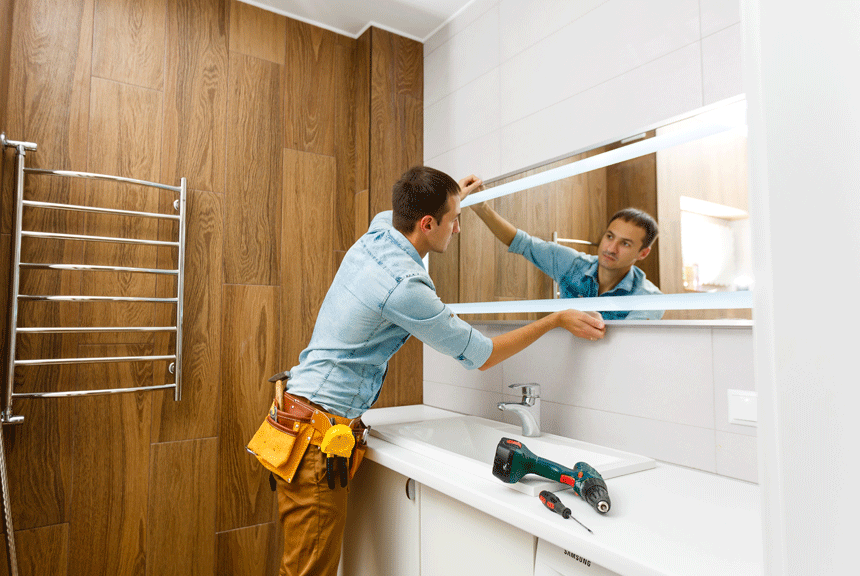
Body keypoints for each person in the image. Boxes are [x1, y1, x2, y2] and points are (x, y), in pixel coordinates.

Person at [251, 166, 605, 576]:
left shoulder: (381, 232)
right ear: (427, 223)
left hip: (298, 416)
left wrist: (455, 196)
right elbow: (482, 354)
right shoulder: (404, 288)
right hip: (316, 436)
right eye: (453, 220)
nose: (457, 229)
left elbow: (413, 207)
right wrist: (555, 319)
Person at [468, 199, 663, 322]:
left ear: (643, 253)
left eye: (625, 244)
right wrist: (482, 208)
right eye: (610, 236)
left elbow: (627, 350)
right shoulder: (572, 265)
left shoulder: (648, 299)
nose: (611, 248)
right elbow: (523, 243)